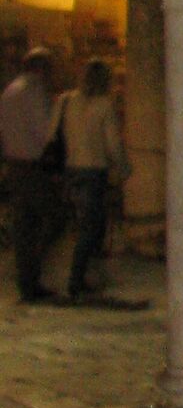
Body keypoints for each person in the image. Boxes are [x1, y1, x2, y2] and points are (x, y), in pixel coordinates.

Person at [50, 58, 128, 304]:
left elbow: (51, 134)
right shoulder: (105, 105)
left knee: (81, 224)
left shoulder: (65, 101)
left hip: (71, 170)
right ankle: (77, 279)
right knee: (91, 227)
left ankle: (82, 276)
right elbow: (113, 143)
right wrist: (123, 167)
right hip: (94, 171)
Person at [1, 46, 61, 303]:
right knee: (55, 217)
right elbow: (46, 130)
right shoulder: (35, 91)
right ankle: (32, 273)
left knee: (24, 227)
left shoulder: (10, 90)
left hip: (14, 165)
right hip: (34, 167)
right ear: (42, 68)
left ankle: (27, 283)